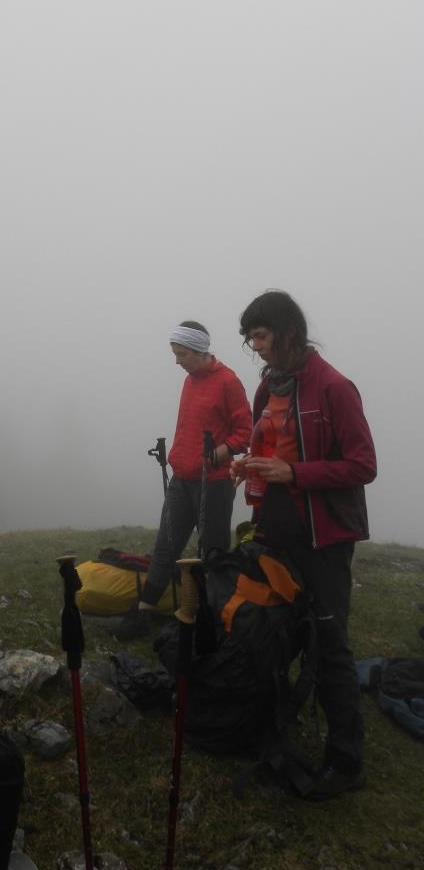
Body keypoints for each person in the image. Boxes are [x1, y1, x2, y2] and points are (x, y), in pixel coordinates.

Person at [231, 290, 376, 800]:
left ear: (288, 333)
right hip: (274, 529)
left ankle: (346, 759)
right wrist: (248, 465)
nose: (255, 346)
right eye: (250, 339)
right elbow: (266, 449)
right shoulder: (267, 387)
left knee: (330, 643)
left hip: (323, 537)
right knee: (274, 631)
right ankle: (275, 724)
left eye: (260, 336)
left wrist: (295, 472)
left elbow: (363, 466)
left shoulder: (334, 388)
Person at [116, 321, 252, 640]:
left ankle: (213, 616)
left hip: (213, 482)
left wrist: (215, 455)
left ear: (200, 350)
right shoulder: (190, 381)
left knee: (212, 550)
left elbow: (245, 432)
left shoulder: (228, 382)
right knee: (166, 544)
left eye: (182, 354)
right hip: (181, 478)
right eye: (175, 354)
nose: (177, 361)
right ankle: (144, 611)